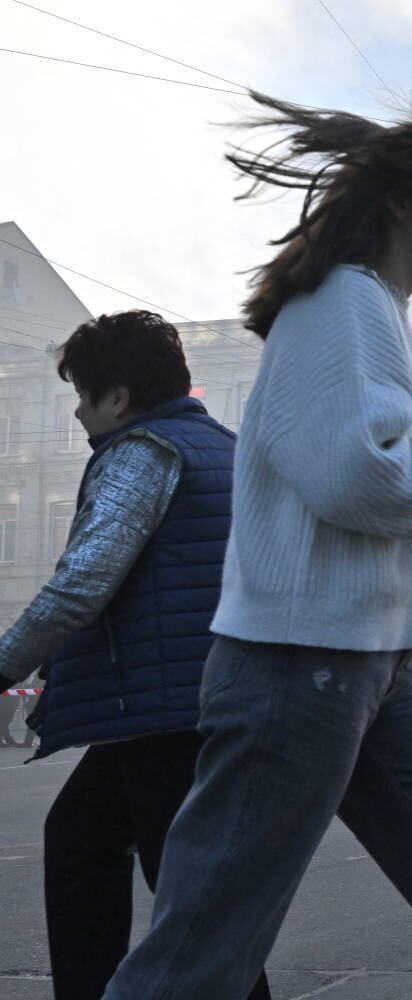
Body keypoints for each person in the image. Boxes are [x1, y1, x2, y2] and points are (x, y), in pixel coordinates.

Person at [101, 94, 412, 1000]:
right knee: (203, 951)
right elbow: (359, 482)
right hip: (298, 668)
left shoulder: (376, 312)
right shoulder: (340, 307)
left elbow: (380, 498)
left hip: (375, 660)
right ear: (400, 202)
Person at [0, 312, 272, 1000]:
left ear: (117, 397)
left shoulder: (142, 451)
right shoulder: (225, 447)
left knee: (194, 903)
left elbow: (81, 585)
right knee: (83, 845)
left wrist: (4, 664)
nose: (78, 411)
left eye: (84, 395)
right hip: (191, 700)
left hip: (169, 714)